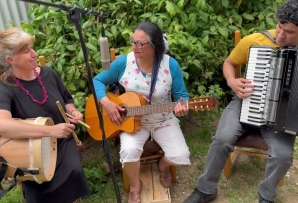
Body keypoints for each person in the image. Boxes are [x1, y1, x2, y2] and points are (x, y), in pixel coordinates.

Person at [183, 1, 298, 203]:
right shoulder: (256, 40)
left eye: (289, 32)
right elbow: (229, 62)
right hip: (246, 101)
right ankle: (206, 189)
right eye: (279, 26)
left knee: (283, 156)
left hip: (281, 117)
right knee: (221, 140)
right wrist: (232, 81)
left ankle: (266, 196)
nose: (280, 35)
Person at [93, 21, 191, 203]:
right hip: (131, 122)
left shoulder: (171, 65)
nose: (134, 46)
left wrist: (182, 109)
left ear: (154, 46)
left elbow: (181, 96)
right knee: (129, 151)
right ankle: (135, 186)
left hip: (163, 119)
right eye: (133, 41)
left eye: (140, 43)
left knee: (181, 155)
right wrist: (106, 102)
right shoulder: (123, 62)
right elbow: (97, 81)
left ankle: (163, 166)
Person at [0, 27, 91, 203]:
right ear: (11, 60)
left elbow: (66, 99)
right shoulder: (5, 87)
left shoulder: (48, 73)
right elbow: (3, 126)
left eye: (32, 48)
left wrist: (72, 111)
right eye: (27, 51)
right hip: (32, 149)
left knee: (73, 171)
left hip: (63, 140)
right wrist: (50, 132)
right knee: (38, 190)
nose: (34, 54)